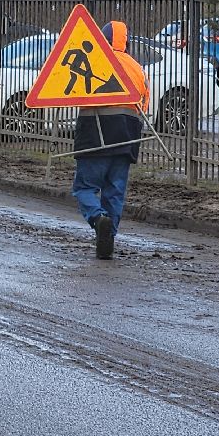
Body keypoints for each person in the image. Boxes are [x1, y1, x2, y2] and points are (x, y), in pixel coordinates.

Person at [70, 20, 149, 259]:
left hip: (94, 134)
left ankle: (97, 217)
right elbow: (144, 104)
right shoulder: (137, 68)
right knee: (114, 192)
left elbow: (74, 93)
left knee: (84, 188)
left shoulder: (93, 61)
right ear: (127, 43)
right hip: (127, 136)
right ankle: (108, 240)